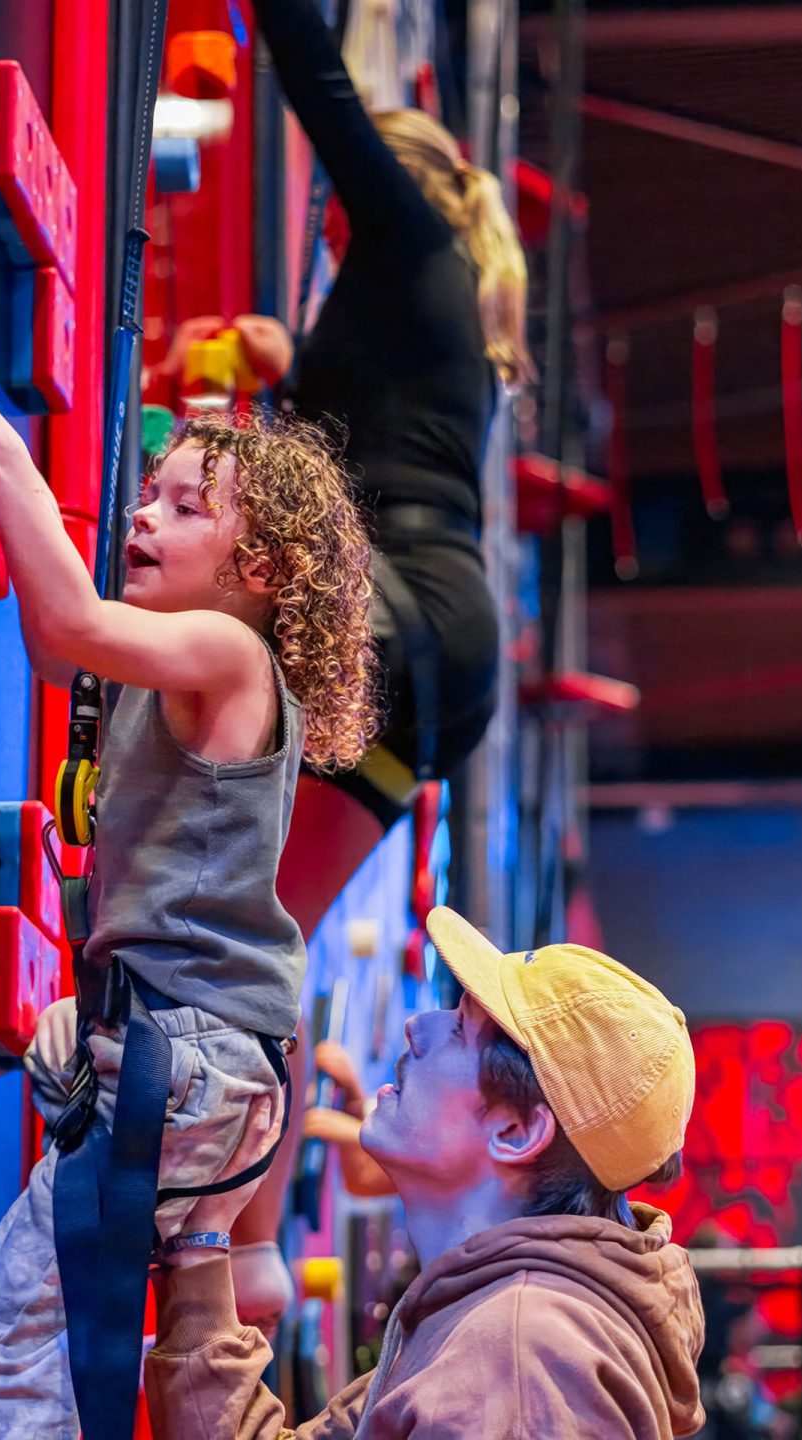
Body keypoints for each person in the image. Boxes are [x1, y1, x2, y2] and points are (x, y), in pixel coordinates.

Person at [0, 368, 378, 1438]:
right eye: (150, 494)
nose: (145, 516)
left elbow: (67, 623)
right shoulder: (170, 672)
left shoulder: (230, 655)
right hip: (185, 1045)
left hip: (189, 1051)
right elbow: (58, 648)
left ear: (259, 570)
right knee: (74, 1321)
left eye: (186, 508)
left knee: (8, 1351)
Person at [230, 0, 539, 1328]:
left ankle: (236, 1230)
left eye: (335, 219)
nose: (325, 237)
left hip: (389, 610)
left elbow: (312, 68)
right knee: (266, 931)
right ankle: (246, 1252)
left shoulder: (408, 234)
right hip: (442, 647)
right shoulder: (438, 305)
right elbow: (372, 431)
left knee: (239, 919)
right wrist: (285, 379)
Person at [143, 906, 707, 1439]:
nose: (418, 1027)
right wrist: (201, 1241)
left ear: (515, 1132)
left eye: (461, 1030)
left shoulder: (516, 1366)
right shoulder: (495, 1326)